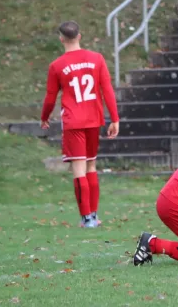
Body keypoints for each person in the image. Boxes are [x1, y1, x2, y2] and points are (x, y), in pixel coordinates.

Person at [40, 21, 120, 228]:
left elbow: (50, 97)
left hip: (73, 122)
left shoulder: (57, 65)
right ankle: (93, 215)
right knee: (91, 165)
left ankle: (87, 219)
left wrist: (45, 116)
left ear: (61, 39)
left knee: (79, 168)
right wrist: (115, 118)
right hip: (94, 119)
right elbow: (107, 89)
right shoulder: (97, 59)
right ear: (79, 36)